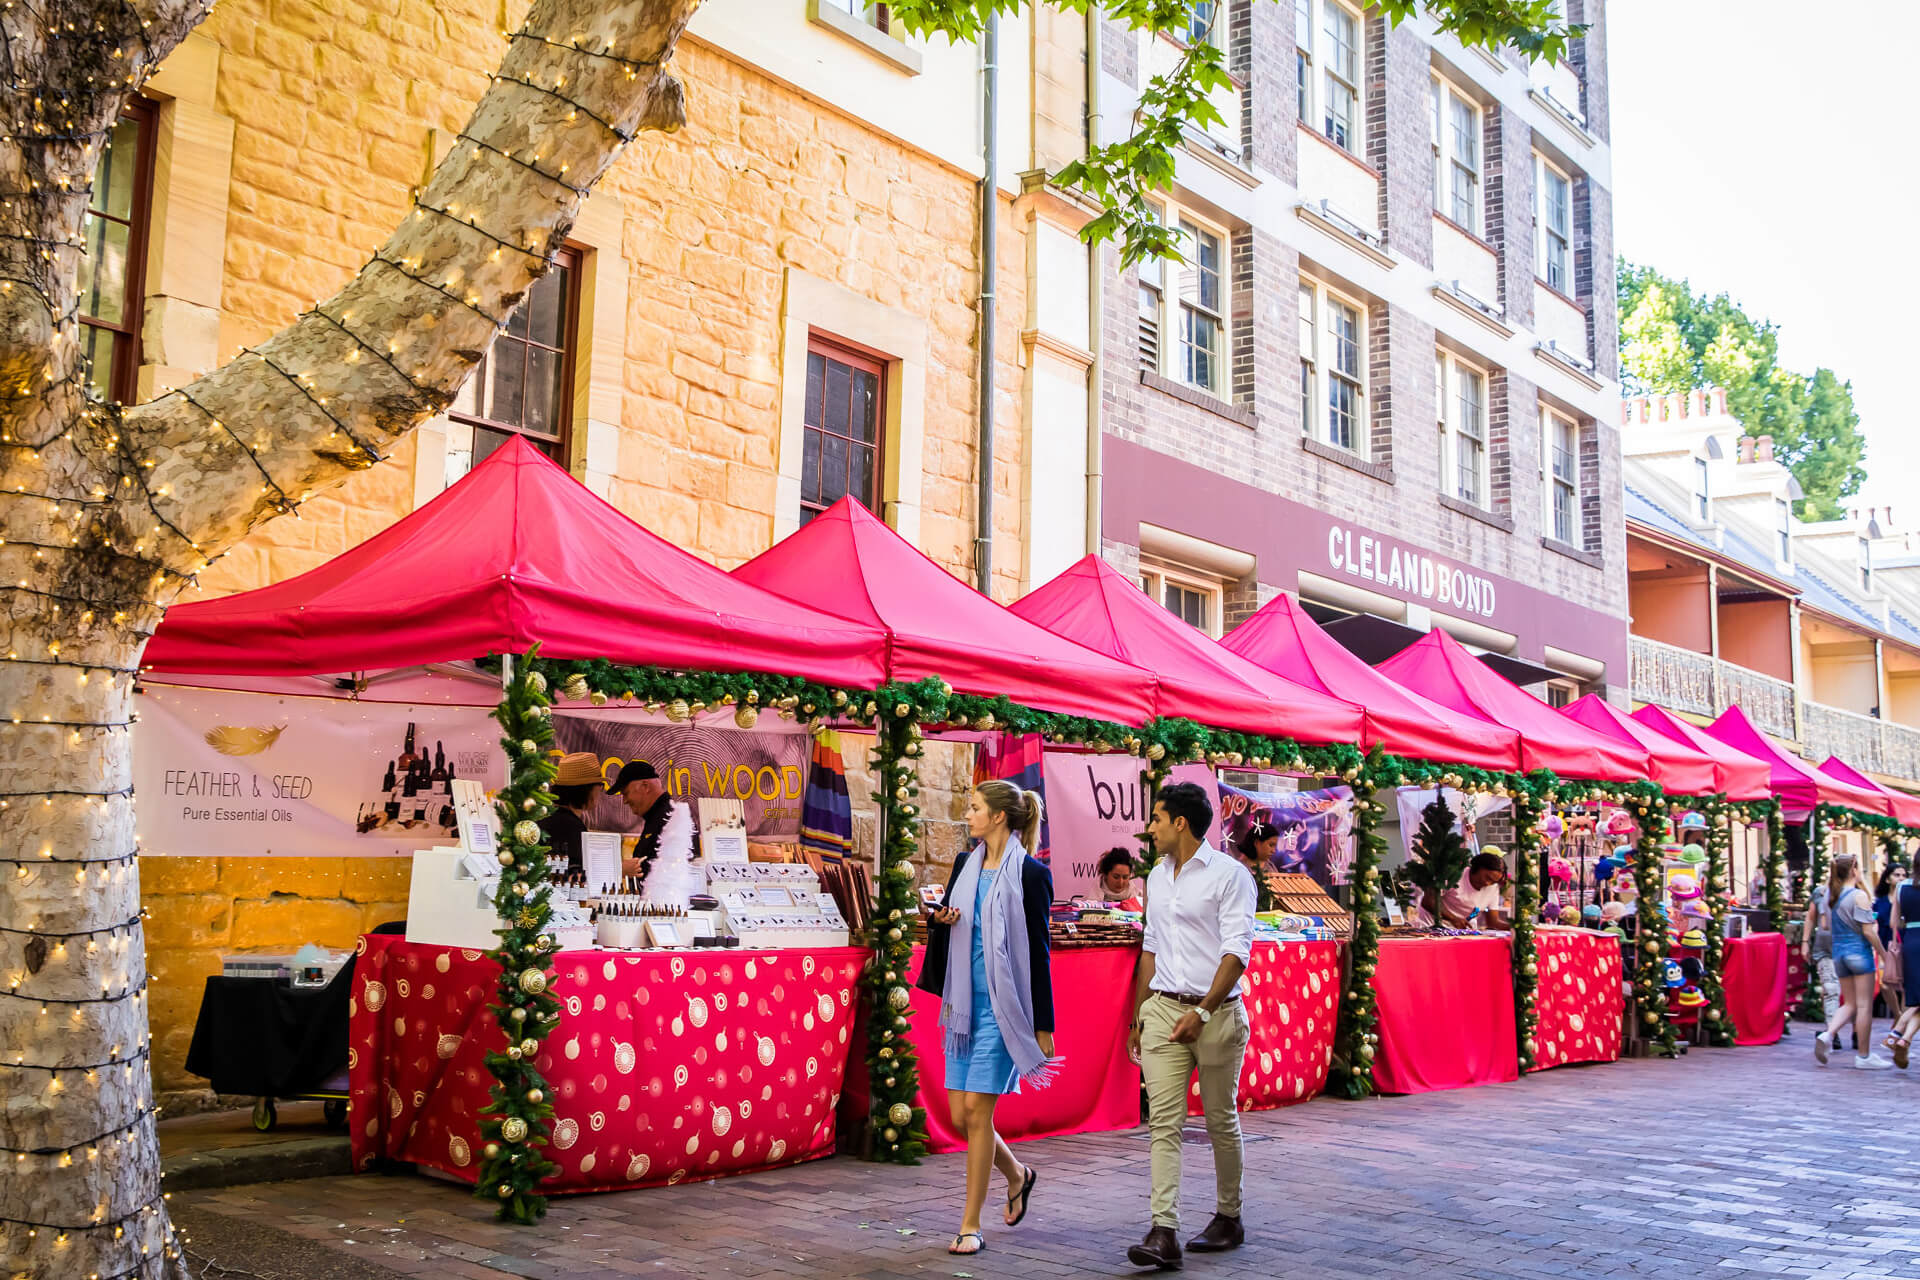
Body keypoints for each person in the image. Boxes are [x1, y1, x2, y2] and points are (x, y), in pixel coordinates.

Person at [916, 780, 1056, 1257]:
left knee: (978, 1112)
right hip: (962, 1006)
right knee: (960, 1117)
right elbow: (953, 920)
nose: (967, 815)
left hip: (1004, 1008)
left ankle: (970, 1223)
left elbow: (1039, 954)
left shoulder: (1032, 875)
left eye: (974, 808)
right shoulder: (964, 864)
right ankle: (1018, 1174)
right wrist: (942, 919)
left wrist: (1044, 1026)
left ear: (998, 816)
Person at [1127, 781, 1254, 1271]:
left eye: (1156, 818)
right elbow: (1150, 948)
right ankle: (1164, 1231)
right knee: (1164, 1122)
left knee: (1220, 1118)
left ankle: (1229, 1215)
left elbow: (1236, 952)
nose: (1150, 828)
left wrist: (1201, 1011)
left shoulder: (1230, 876)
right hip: (1161, 1009)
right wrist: (1140, 1014)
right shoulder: (1157, 876)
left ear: (1180, 822)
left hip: (1216, 1014)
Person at [1813, 853, 1895, 1069]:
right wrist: (1884, 954)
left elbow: (1826, 926)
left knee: (1849, 1003)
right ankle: (1864, 1055)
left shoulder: (1829, 895)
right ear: (1853, 870)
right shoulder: (1858, 895)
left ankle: (1828, 1034)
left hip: (1838, 953)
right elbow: (1868, 931)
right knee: (1863, 1005)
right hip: (1859, 951)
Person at [607, 760, 695, 898]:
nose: (624, 800)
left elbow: (680, 869)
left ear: (645, 786)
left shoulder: (671, 817)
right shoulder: (656, 817)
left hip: (663, 911)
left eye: (626, 792)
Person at [540, 752, 602, 877]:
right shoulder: (571, 827)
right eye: (600, 784)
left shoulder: (546, 818)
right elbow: (578, 874)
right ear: (587, 790)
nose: (600, 790)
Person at [1886, 866, 1920, 1068]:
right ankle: (1899, 1034)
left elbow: (1893, 922)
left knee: (1916, 998)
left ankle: (1901, 1038)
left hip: (1911, 942)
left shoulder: (1902, 887)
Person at [1439, 850, 1511, 930]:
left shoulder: (1493, 888)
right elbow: (1429, 900)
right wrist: (1453, 918)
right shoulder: (1455, 874)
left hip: (1463, 932)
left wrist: (1515, 928)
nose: (1488, 883)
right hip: (1434, 927)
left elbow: (1493, 922)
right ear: (1479, 867)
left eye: (1493, 882)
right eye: (1488, 877)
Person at [1876, 864, 1907, 1021]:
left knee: (1905, 986)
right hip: (1883, 947)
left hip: (1904, 945)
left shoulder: (1907, 899)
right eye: (1897, 875)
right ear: (1888, 879)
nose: (1901, 878)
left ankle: (1900, 1025)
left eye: (1903, 875)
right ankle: (1898, 1014)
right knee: (1884, 984)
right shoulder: (1879, 902)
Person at [1235, 823, 1279, 912]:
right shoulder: (1239, 868)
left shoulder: (1271, 867)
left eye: (1275, 846)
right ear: (1257, 843)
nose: (1274, 851)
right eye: (1271, 845)